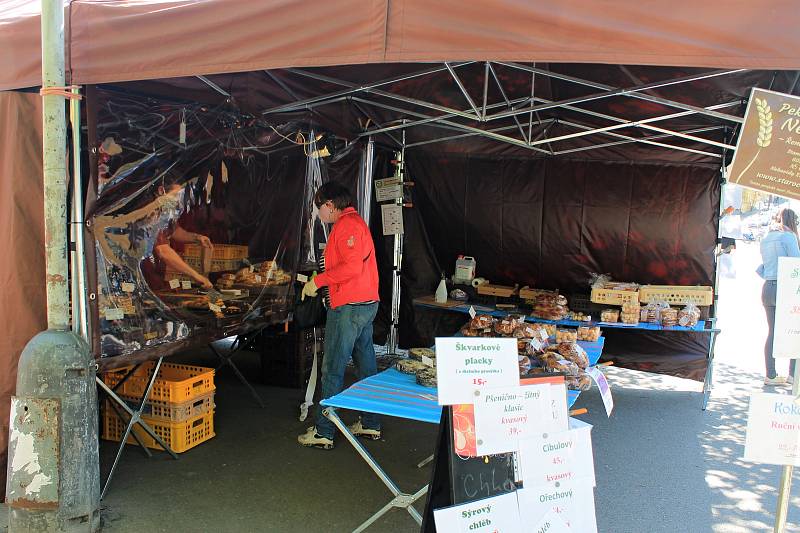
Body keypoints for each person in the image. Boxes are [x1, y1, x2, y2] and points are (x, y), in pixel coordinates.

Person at [297, 182, 380, 449]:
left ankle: (324, 431)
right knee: (366, 367)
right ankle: (369, 423)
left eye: (319, 208)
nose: (319, 214)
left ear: (330, 205)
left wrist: (318, 281)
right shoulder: (352, 223)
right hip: (365, 304)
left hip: (349, 307)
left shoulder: (347, 226)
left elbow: (351, 268)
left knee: (332, 369)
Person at [758, 207, 800, 385]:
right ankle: (792, 375)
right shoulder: (789, 237)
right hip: (786, 289)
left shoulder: (766, 238)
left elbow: (762, 268)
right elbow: (795, 264)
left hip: (767, 288)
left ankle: (771, 375)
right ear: (792, 221)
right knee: (794, 331)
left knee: (772, 332)